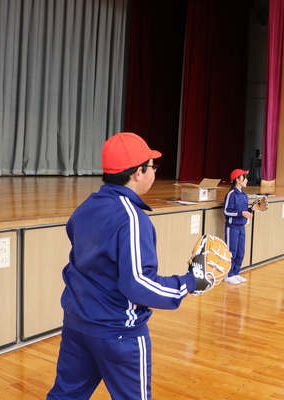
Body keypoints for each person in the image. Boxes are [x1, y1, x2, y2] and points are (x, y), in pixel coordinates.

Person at [47, 132, 209, 400]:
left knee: (65, 395)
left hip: (77, 324)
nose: (154, 172)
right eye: (152, 167)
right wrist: (190, 282)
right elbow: (138, 284)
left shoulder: (87, 207)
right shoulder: (132, 218)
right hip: (118, 333)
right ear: (137, 172)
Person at [223, 169, 253, 284]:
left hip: (242, 226)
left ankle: (236, 272)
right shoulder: (231, 195)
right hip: (232, 227)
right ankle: (229, 274)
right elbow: (226, 211)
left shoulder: (244, 195)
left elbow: (245, 210)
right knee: (232, 251)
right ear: (237, 180)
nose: (246, 180)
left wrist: (251, 210)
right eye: (244, 178)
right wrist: (241, 214)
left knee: (241, 251)